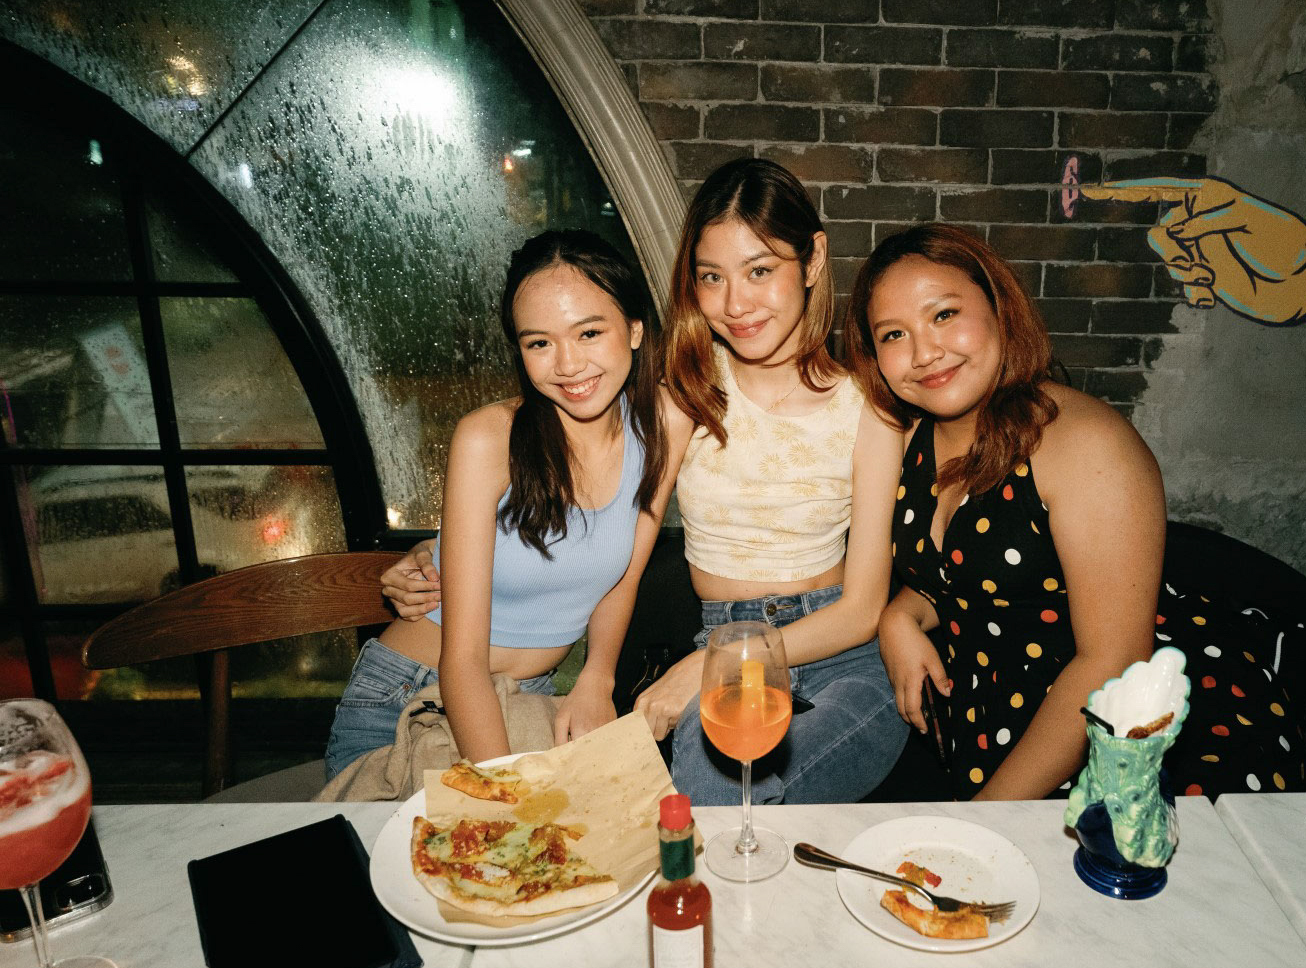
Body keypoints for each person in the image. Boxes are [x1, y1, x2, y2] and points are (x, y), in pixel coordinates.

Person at [325, 230, 674, 780]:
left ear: (634, 329)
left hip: (530, 699)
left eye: (589, 332)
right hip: (411, 700)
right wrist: (503, 798)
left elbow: (623, 579)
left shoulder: (662, 428)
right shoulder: (488, 439)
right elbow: (462, 663)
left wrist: (596, 679)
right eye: (539, 343)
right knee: (500, 832)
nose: (568, 364)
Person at [843, 223, 1164, 801]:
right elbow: (965, 576)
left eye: (944, 315)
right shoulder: (909, 440)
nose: (924, 353)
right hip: (975, 728)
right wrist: (899, 618)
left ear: (999, 309)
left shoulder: (1085, 443)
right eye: (894, 334)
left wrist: (986, 818)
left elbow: (1114, 660)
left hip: (1103, 736)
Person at [630, 157, 909, 805]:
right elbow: (620, 546)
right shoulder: (686, 396)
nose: (735, 304)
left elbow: (862, 609)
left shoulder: (869, 407)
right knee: (718, 798)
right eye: (712, 277)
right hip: (724, 642)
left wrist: (710, 666)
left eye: (759, 270)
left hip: (842, 653)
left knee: (747, 809)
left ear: (812, 261)